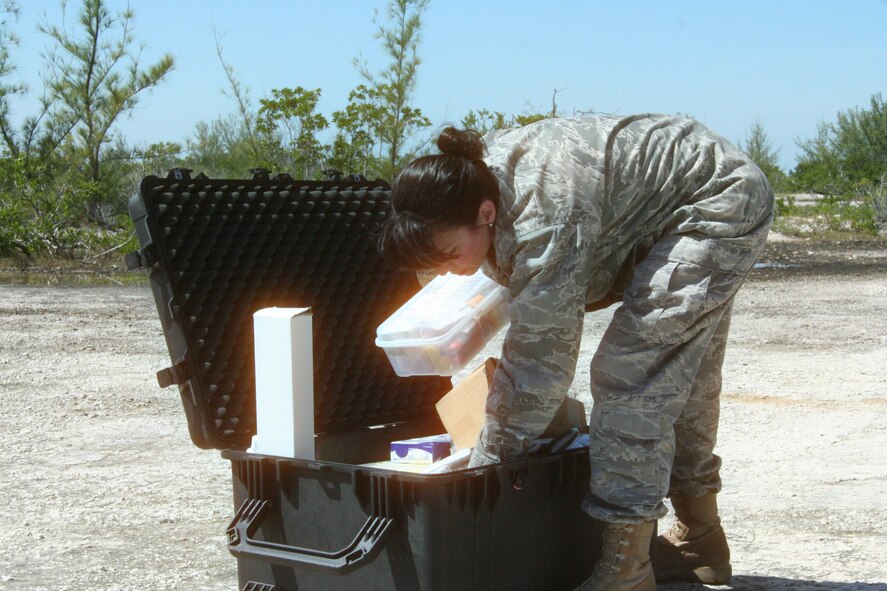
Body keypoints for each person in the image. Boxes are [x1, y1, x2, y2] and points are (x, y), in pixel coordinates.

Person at [379, 114, 773, 591]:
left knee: (631, 374)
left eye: (449, 254)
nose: (449, 270)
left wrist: (486, 461)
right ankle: (700, 539)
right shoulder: (465, 189)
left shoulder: (545, 213)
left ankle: (627, 571)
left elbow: (540, 363)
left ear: (485, 213)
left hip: (716, 201)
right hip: (669, 205)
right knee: (680, 373)